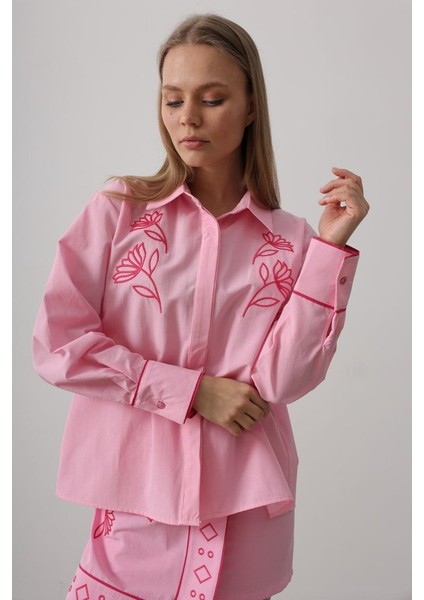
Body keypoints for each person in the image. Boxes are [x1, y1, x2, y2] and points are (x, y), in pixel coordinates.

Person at [32, 13, 369, 600]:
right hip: (136, 506)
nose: (188, 117)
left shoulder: (291, 240)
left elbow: (284, 381)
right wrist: (191, 391)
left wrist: (329, 250)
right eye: (173, 100)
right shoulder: (118, 212)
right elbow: (59, 346)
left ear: (251, 105)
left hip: (247, 513)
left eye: (212, 99)